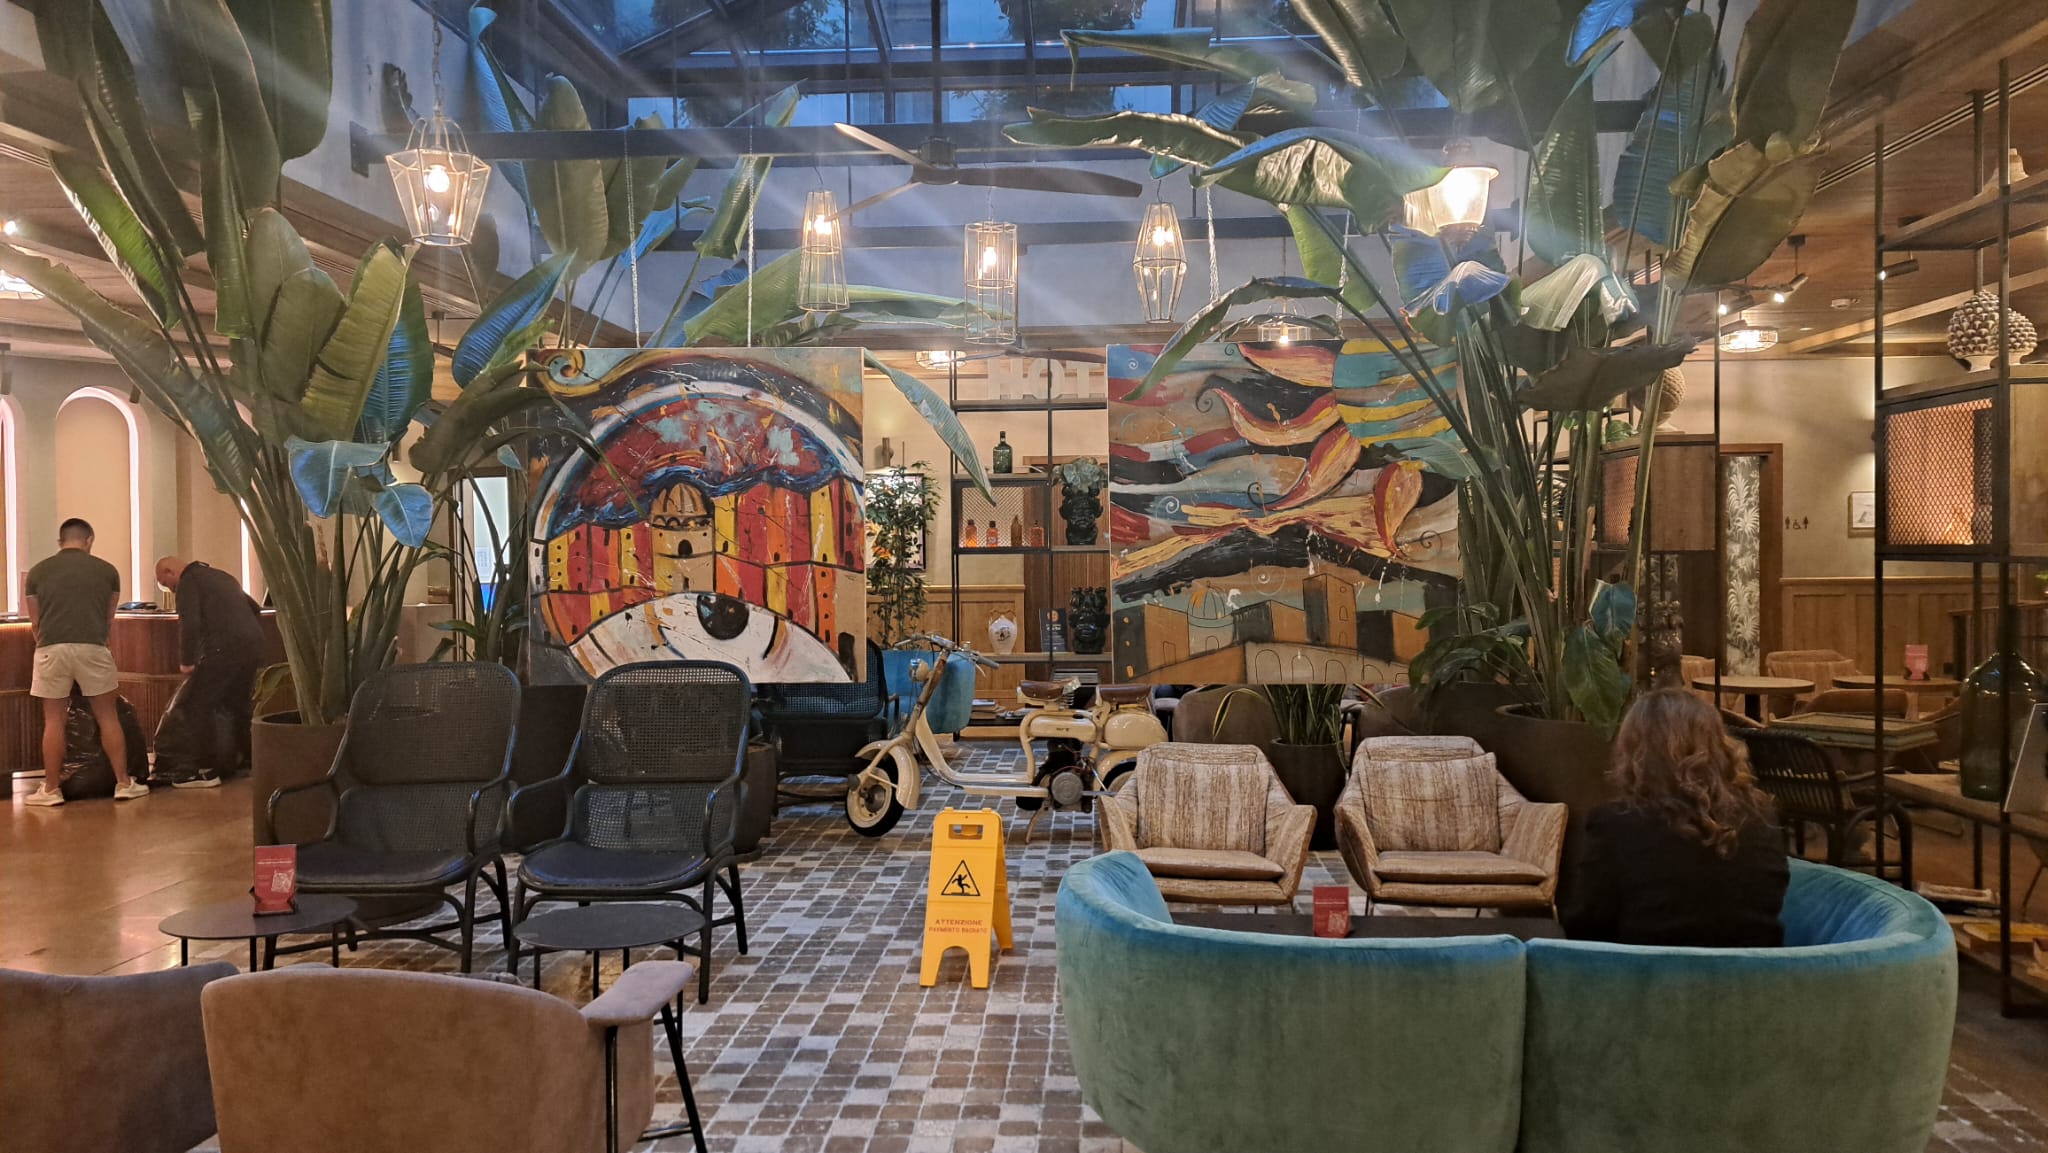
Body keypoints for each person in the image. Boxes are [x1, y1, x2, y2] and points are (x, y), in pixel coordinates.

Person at [1560, 689, 1789, 947]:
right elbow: (1773, 902)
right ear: (1717, 744)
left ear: (1635, 754)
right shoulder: (1762, 817)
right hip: (1756, 971)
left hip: (1644, 971)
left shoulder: (1613, 824)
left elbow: (1585, 930)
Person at [23, 519, 147, 806]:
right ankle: (123, 783)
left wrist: (47, 641)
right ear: (89, 540)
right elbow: (108, 618)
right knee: (107, 716)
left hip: (51, 648)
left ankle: (51, 789)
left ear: (60, 541)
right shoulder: (108, 571)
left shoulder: (38, 572)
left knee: (54, 720)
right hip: (93, 647)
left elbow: (35, 621)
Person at [155, 556, 265, 788]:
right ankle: (249, 761)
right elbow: (255, 608)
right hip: (252, 648)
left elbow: (190, 622)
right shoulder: (222, 576)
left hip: (222, 651)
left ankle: (195, 771)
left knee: (196, 706)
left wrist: (187, 661)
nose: (169, 589)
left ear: (169, 571)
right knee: (240, 706)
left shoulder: (188, 582)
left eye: (165, 584)